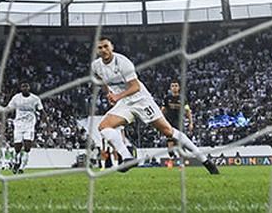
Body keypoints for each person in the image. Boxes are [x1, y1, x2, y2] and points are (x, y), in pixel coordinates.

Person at [91, 37, 218, 174]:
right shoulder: (96, 66)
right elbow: (100, 79)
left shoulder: (123, 62)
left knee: (168, 132)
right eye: (100, 48)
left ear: (112, 47)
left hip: (141, 100)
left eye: (106, 46)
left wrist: (117, 96)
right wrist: (108, 93)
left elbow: (135, 87)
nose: (103, 50)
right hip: (124, 103)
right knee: (103, 126)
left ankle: (205, 160)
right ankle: (128, 158)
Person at [4, 83, 43, 174]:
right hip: (18, 125)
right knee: (17, 147)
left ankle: (22, 167)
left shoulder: (35, 99)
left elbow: (41, 111)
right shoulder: (16, 98)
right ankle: (17, 162)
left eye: (26, 86)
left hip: (29, 126)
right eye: (23, 86)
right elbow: (9, 107)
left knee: (27, 146)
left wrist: (47, 124)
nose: (25, 88)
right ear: (20, 88)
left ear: (29, 87)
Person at [160, 81, 193, 162]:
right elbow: (162, 110)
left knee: (179, 144)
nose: (174, 87)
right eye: (172, 86)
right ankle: (173, 158)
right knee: (170, 146)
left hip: (179, 124)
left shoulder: (183, 98)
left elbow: (188, 111)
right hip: (169, 124)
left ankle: (183, 162)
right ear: (170, 88)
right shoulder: (167, 98)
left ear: (179, 88)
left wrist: (191, 123)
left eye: (176, 86)